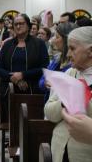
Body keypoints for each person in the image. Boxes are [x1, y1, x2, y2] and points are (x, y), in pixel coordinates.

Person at [44, 26, 92, 162]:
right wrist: (66, 101)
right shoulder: (70, 74)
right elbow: (49, 112)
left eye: (72, 49)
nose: (68, 54)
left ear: (91, 51)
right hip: (60, 149)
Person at [0, 14, 49, 121]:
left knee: (31, 124)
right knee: (13, 124)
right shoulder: (7, 44)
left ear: (28, 26)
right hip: (10, 89)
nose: (18, 26)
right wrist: (14, 78)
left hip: (33, 89)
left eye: (21, 23)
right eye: (16, 24)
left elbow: (44, 68)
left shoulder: (39, 44)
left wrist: (23, 75)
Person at [38, 22, 77, 102]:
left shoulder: (75, 65)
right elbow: (41, 81)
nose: (53, 40)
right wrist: (45, 83)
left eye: (57, 37)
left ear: (66, 40)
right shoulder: (56, 59)